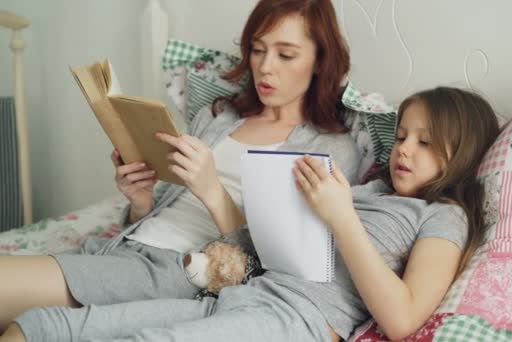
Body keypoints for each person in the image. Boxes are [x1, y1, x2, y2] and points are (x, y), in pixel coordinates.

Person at [3, 86, 500, 342]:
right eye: (404, 135)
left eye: (427, 142)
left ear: (461, 154)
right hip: (238, 295)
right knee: (48, 327)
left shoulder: (443, 214)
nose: (404, 150)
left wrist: (341, 217)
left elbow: (402, 317)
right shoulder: (370, 189)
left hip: (294, 323)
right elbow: (265, 253)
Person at [0, 0, 362, 337]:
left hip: (177, 270)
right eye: (257, 49)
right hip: (121, 250)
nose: (265, 67)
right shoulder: (219, 117)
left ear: (319, 60)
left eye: (286, 54)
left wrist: (213, 192)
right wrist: (140, 202)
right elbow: (160, 215)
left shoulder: (328, 149)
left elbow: (279, 269)